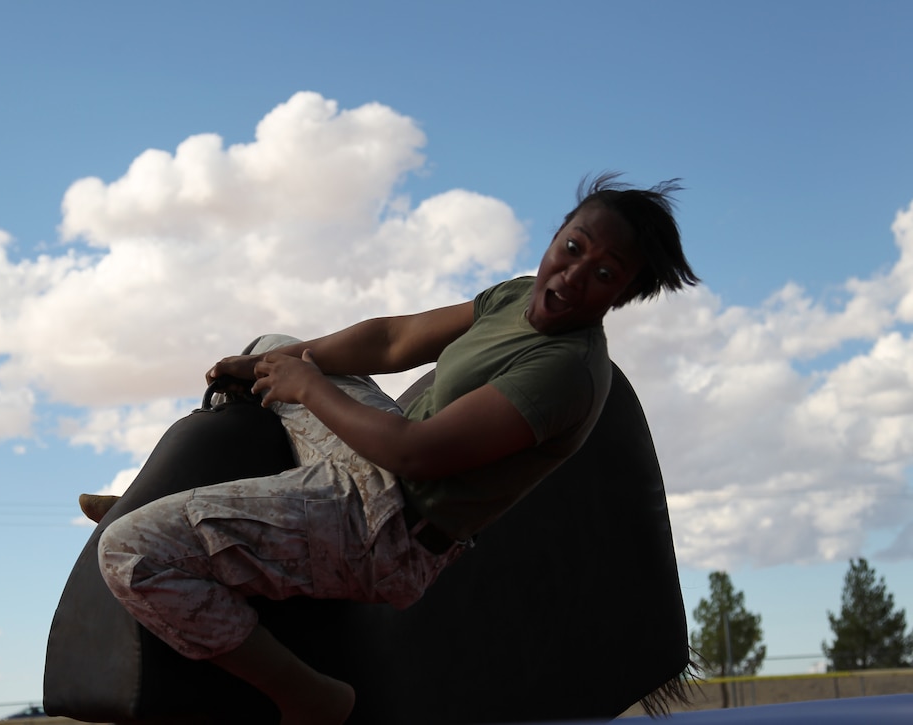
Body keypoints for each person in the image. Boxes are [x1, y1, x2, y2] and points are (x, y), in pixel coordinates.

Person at [94, 173, 699, 725]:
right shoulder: (515, 297)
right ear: (558, 235)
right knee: (279, 346)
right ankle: (172, 496)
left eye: (604, 273)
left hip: (389, 529)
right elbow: (392, 340)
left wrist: (305, 384)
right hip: (377, 469)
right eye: (573, 248)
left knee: (131, 553)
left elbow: (418, 453)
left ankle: (308, 695)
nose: (571, 276)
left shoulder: (566, 373)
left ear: (623, 294)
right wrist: (273, 365)